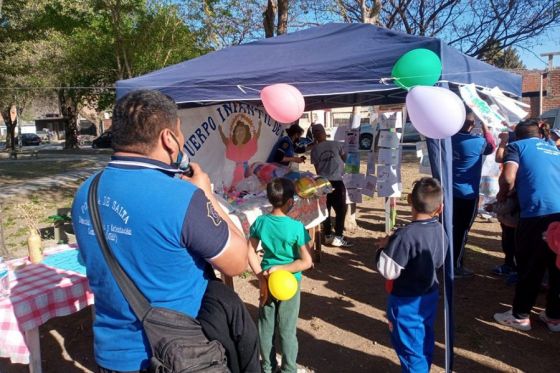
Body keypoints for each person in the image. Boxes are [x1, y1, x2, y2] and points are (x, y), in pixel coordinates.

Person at [71, 90, 259, 373]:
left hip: (112, 356)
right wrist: (206, 196)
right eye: (180, 133)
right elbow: (237, 262)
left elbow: (93, 261)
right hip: (178, 355)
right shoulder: (181, 197)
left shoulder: (86, 191)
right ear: (169, 139)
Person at [494, 120, 560, 332]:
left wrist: (503, 194)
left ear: (518, 135)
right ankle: (554, 317)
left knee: (530, 266)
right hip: (558, 215)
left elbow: (508, 176)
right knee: (556, 266)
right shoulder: (553, 148)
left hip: (536, 213)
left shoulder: (516, 146)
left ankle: (520, 316)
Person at [375, 177, 446, 373]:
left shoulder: (405, 235)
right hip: (429, 295)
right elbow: (440, 260)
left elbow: (387, 270)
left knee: (410, 348)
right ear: (439, 208)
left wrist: (383, 247)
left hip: (406, 302)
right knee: (423, 337)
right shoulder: (441, 230)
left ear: (410, 201)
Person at [247, 178, 313, 373]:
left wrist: (260, 276)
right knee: (287, 330)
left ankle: (267, 368)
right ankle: (289, 369)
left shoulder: (260, 222)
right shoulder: (296, 228)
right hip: (290, 285)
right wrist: (283, 269)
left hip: (267, 282)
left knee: (266, 327)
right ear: (290, 201)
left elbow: (249, 250)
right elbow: (307, 261)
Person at [451, 112, 496, 277]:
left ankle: (446, 262)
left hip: (449, 193)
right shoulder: (476, 142)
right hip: (467, 195)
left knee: (449, 228)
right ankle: (456, 266)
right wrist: (485, 125)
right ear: (472, 125)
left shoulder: (448, 139)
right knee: (462, 231)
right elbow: (491, 146)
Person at [310, 123, 353, 248]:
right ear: (324, 133)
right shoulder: (336, 144)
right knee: (341, 210)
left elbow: (317, 168)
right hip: (336, 181)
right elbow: (346, 159)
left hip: (322, 182)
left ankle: (328, 235)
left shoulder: (314, 150)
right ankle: (338, 237)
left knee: (326, 209)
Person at [218, 114, 262, 188]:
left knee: (243, 185)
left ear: (246, 133)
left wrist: (259, 127)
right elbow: (224, 140)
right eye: (237, 131)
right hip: (231, 170)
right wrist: (220, 131)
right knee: (231, 185)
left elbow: (256, 137)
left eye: (242, 131)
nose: (239, 133)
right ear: (234, 133)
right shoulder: (231, 144)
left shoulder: (249, 144)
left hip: (244, 169)